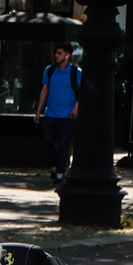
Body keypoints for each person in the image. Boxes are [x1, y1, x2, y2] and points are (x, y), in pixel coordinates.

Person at [34, 42, 81, 184]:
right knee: (49, 140)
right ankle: (56, 164)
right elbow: (44, 90)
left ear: (68, 55)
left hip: (67, 115)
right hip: (51, 113)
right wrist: (38, 111)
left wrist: (76, 107)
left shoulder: (76, 73)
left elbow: (83, 92)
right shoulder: (50, 70)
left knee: (64, 144)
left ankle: (60, 171)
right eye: (56, 53)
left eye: (60, 53)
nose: (56, 56)